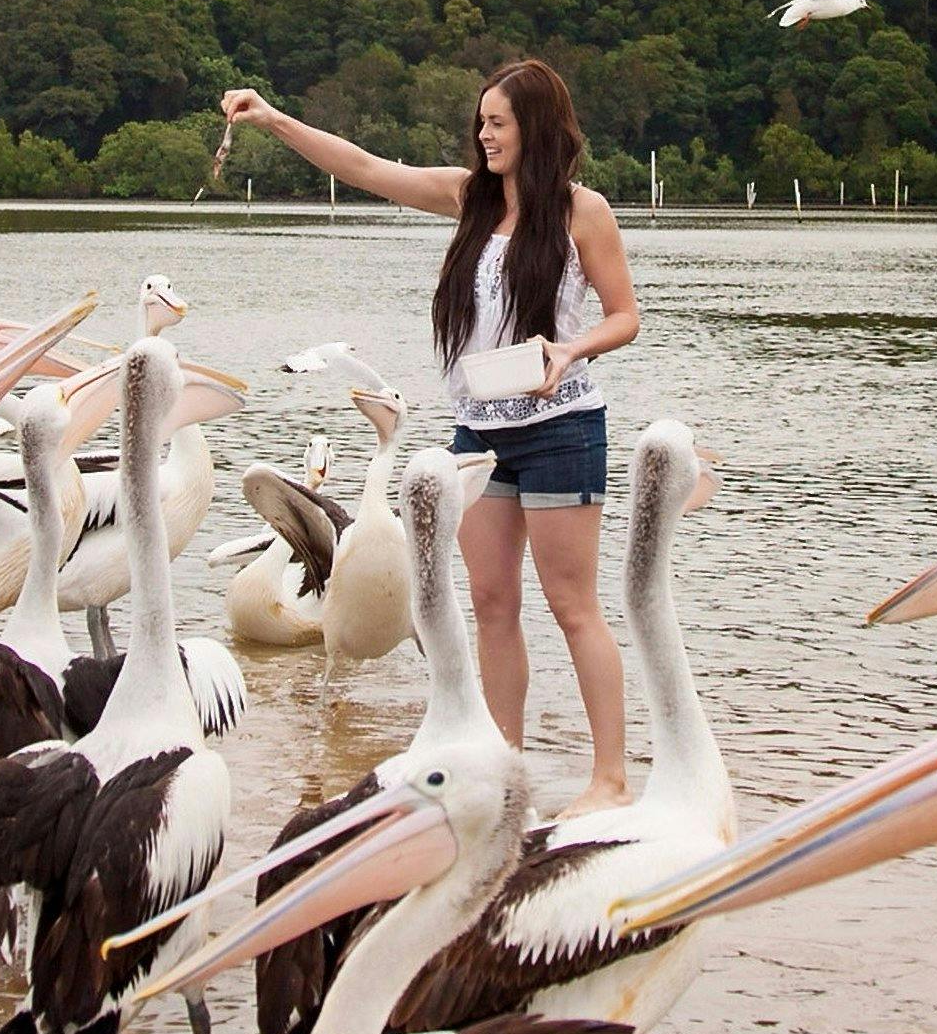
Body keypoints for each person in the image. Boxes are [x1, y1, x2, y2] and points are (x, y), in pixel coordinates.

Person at [220, 60, 642, 815]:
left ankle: (608, 779)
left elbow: (623, 317)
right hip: (479, 428)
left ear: (537, 129)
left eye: (498, 123)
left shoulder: (584, 212)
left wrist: (568, 350)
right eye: (480, 122)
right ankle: (502, 765)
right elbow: (363, 167)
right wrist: (274, 117)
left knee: (572, 605)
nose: (483, 135)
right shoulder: (467, 198)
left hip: (562, 427)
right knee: (488, 602)